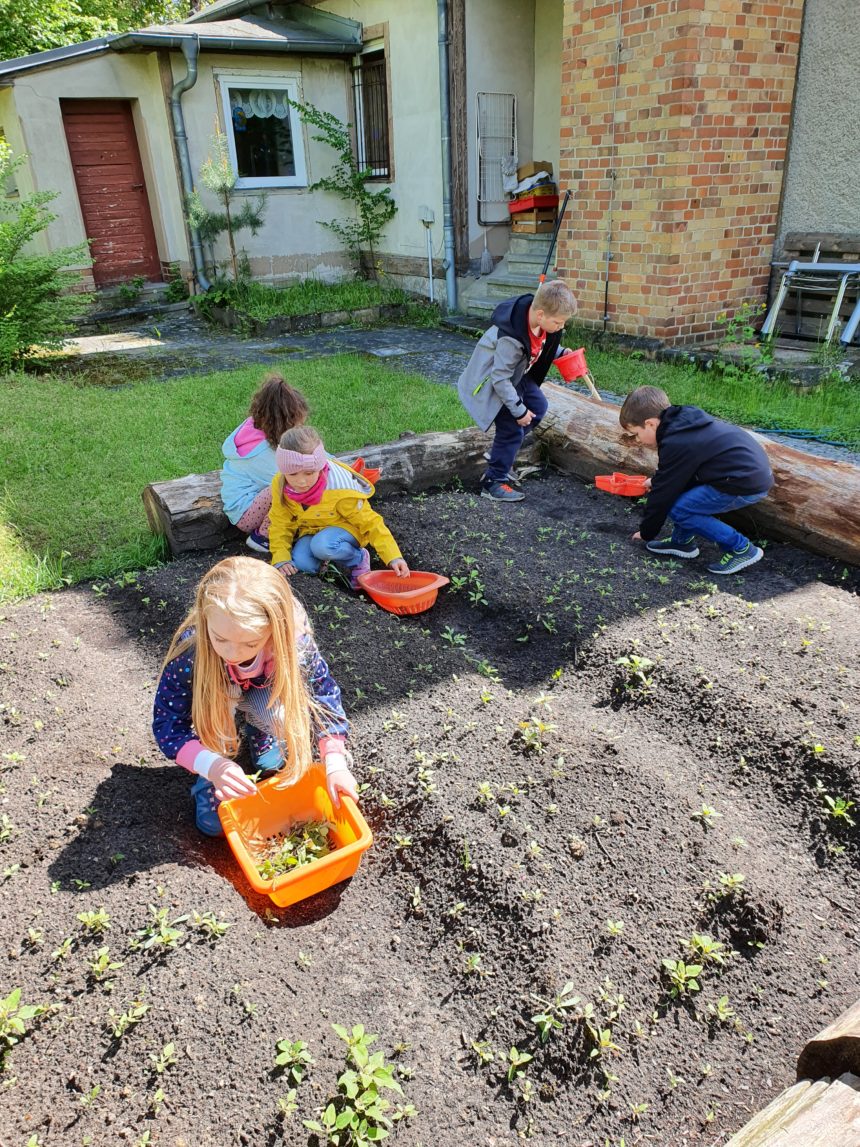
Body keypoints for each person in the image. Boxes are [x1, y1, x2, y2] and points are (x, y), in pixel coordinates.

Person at [152, 556, 356, 837]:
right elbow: (168, 723)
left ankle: (260, 730)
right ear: (204, 618)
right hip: (217, 697)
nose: (233, 653)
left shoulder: (295, 646)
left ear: (275, 631)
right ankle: (218, 750)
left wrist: (335, 763)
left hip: (263, 689)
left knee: (277, 727)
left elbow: (324, 696)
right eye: (220, 639)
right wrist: (213, 766)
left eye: (249, 643)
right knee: (214, 825)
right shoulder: (192, 653)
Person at [619, 385, 774, 575]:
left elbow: (663, 495)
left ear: (650, 424)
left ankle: (740, 548)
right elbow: (677, 473)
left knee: (680, 508)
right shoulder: (682, 423)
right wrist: (657, 480)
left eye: (636, 433)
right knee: (682, 498)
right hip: (744, 472)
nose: (638, 439)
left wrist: (646, 532)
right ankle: (681, 542)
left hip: (742, 482)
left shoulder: (675, 442)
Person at [457, 279, 578, 502]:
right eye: (558, 323)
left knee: (539, 407)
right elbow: (499, 379)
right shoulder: (510, 338)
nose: (561, 327)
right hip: (495, 386)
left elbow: (539, 345)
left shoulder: (537, 322)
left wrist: (559, 352)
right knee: (512, 428)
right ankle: (493, 481)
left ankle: (500, 453)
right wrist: (519, 411)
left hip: (518, 376)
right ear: (540, 314)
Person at [269, 425, 409, 590]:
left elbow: (371, 523)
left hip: (346, 531)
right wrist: (280, 557)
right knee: (301, 563)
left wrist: (393, 557)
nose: (301, 481)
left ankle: (358, 558)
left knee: (322, 545)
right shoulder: (281, 484)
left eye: (309, 473)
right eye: (293, 474)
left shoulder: (339, 489)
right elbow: (280, 522)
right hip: (312, 531)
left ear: (320, 467)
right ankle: (325, 571)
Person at [221, 374, 310, 554]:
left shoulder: (255, 427)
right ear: (284, 423)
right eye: (296, 426)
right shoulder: (261, 454)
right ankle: (263, 536)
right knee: (291, 483)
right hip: (245, 513)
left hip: (252, 500)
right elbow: (293, 474)